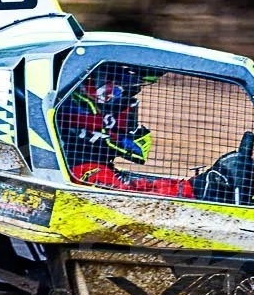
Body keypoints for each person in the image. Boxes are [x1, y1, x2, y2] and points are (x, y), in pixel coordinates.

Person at [57, 63, 198, 198]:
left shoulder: (91, 168)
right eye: (126, 119)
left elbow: (138, 189)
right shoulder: (86, 172)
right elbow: (138, 205)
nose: (133, 127)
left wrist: (193, 186)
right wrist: (191, 191)